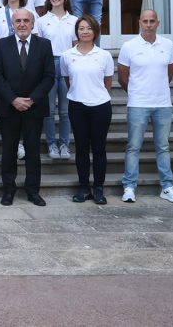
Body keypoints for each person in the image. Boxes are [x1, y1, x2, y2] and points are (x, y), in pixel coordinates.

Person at [0, 7, 55, 207]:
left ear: (33, 24)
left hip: (34, 108)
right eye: (18, 21)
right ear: (12, 24)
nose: (22, 24)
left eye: (26, 20)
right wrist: (13, 99)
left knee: (33, 150)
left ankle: (33, 191)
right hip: (9, 107)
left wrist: (31, 99)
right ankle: (8, 190)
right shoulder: (2, 45)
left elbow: (49, 76)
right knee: (9, 150)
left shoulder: (44, 45)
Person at [119, 9, 173, 204]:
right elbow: (122, 77)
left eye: (152, 21)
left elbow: (169, 73)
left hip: (162, 104)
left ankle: (167, 186)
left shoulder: (168, 45)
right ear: (139, 22)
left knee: (163, 147)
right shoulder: (129, 46)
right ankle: (129, 186)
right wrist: (138, 92)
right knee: (133, 147)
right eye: (145, 21)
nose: (148, 24)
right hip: (138, 103)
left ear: (158, 23)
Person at [61, 15, 115, 205]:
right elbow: (68, 80)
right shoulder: (68, 56)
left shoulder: (104, 55)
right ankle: (83, 187)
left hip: (100, 106)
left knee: (99, 148)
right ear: (76, 32)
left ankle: (98, 188)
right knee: (81, 148)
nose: (85, 31)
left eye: (89, 28)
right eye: (81, 28)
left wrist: (95, 95)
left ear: (95, 32)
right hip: (77, 105)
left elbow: (107, 82)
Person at [34, 0, 77, 160]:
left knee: (66, 110)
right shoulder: (42, 20)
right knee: (49, 109)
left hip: (67, 63)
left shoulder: (74, 20)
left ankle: (65, 144)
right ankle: (52, 143)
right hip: (49, 64)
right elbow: (38, 47)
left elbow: (76, 46)